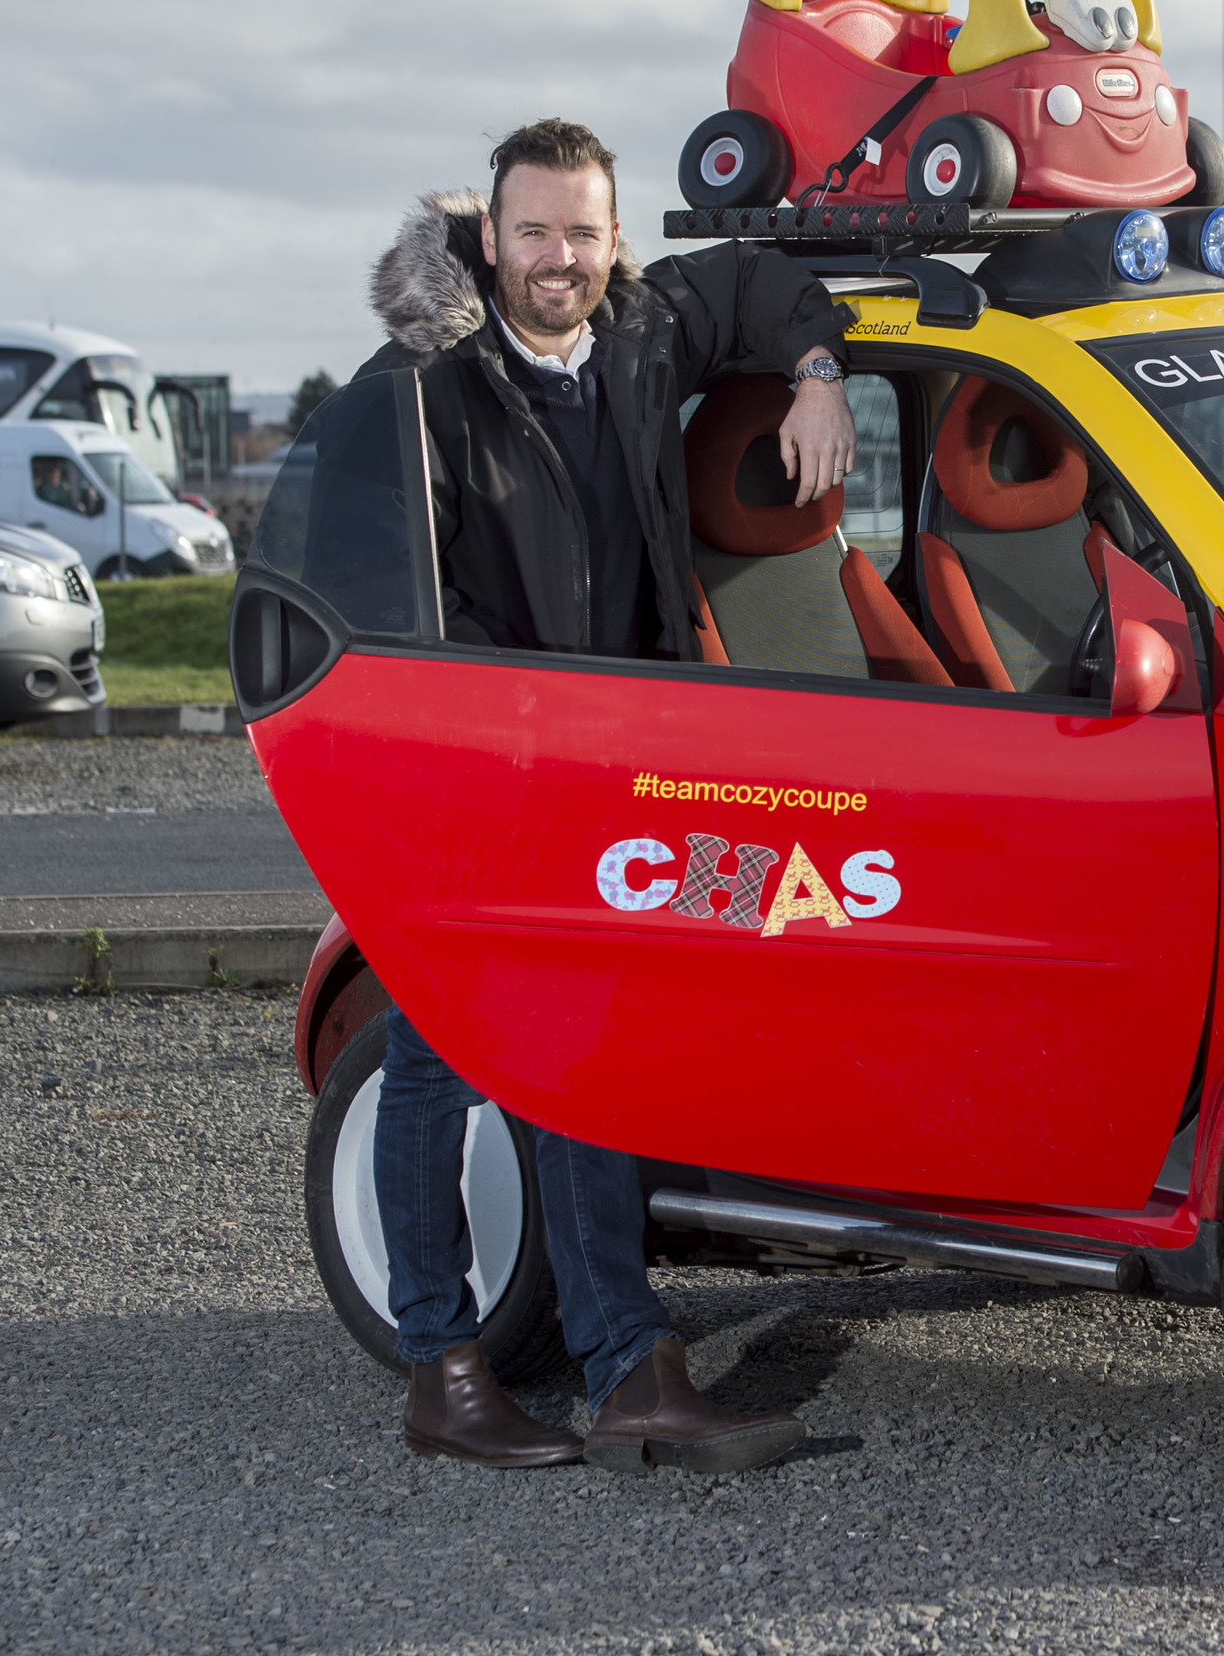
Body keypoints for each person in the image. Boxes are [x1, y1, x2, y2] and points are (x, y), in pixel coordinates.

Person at [349, 116, 856, 1472]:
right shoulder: (426, 382)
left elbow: (759, 281)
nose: (557, 258)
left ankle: (628, 1364)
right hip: (469, 772)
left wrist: (816, 376)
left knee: (584, 1064)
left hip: (616, 771)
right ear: (490, 236)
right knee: (434, 1064)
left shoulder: (641, 335)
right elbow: (400, 594)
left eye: (582, 231)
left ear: (613, 238)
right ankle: (440, 1366)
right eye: (532, 233)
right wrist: (503, 737)